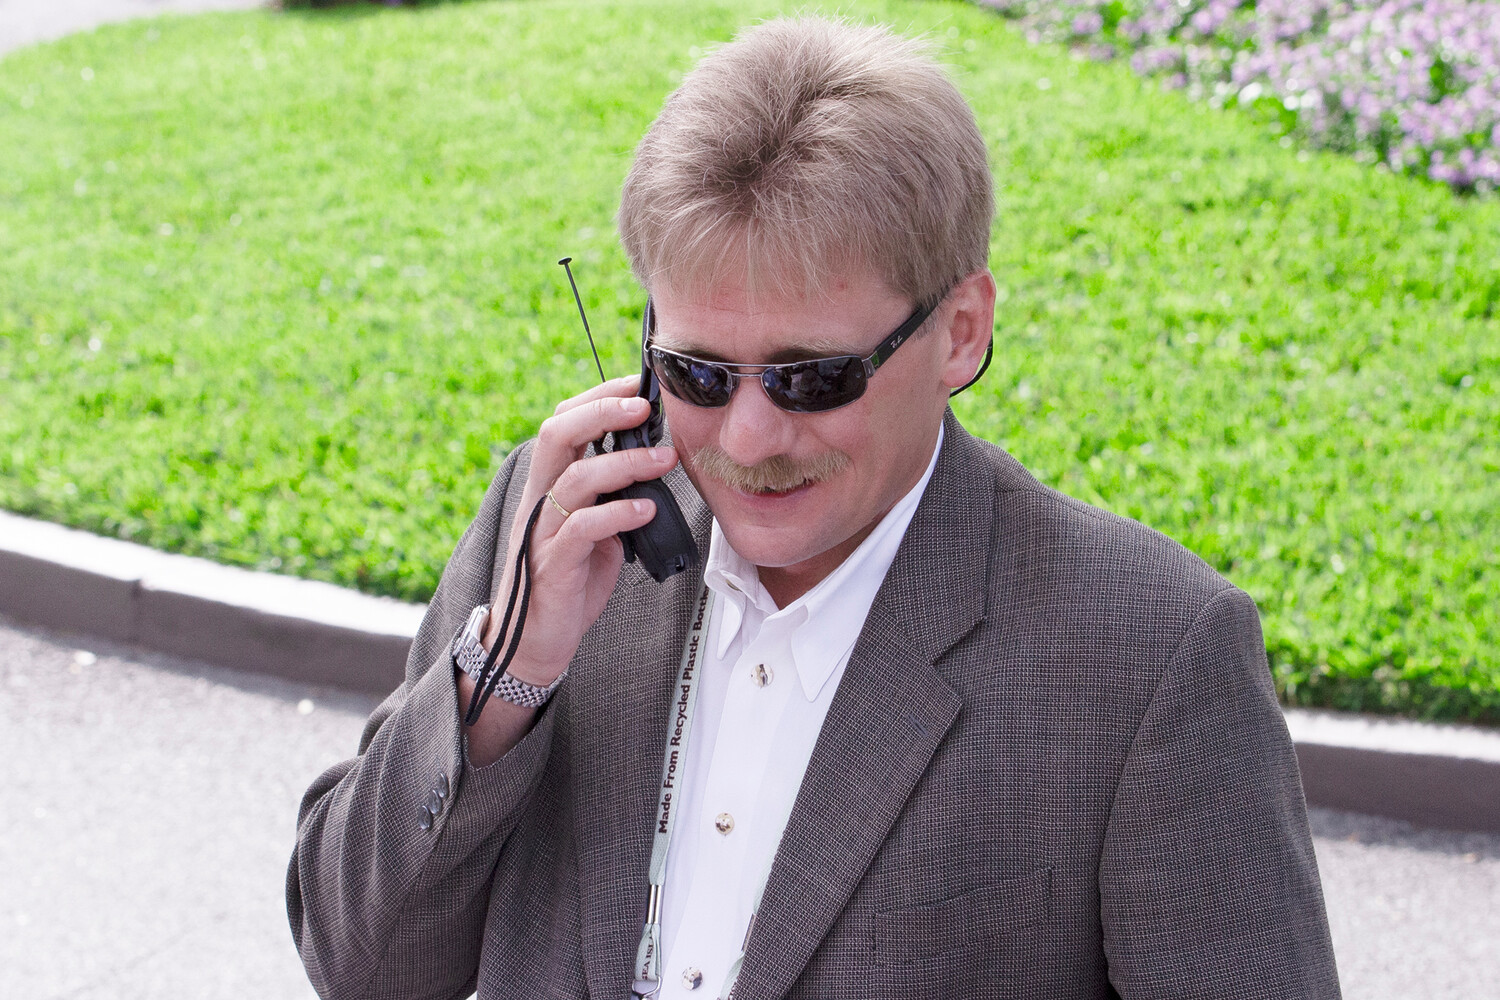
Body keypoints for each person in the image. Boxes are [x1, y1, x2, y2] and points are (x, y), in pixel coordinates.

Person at [287, 16, 1340, 1000]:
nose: (748, 439)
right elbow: (362, 966)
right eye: (698, 373)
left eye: (812, 378)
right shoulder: (558, 532)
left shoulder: (1153, 655)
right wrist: (506, 675)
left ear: (961, 332)